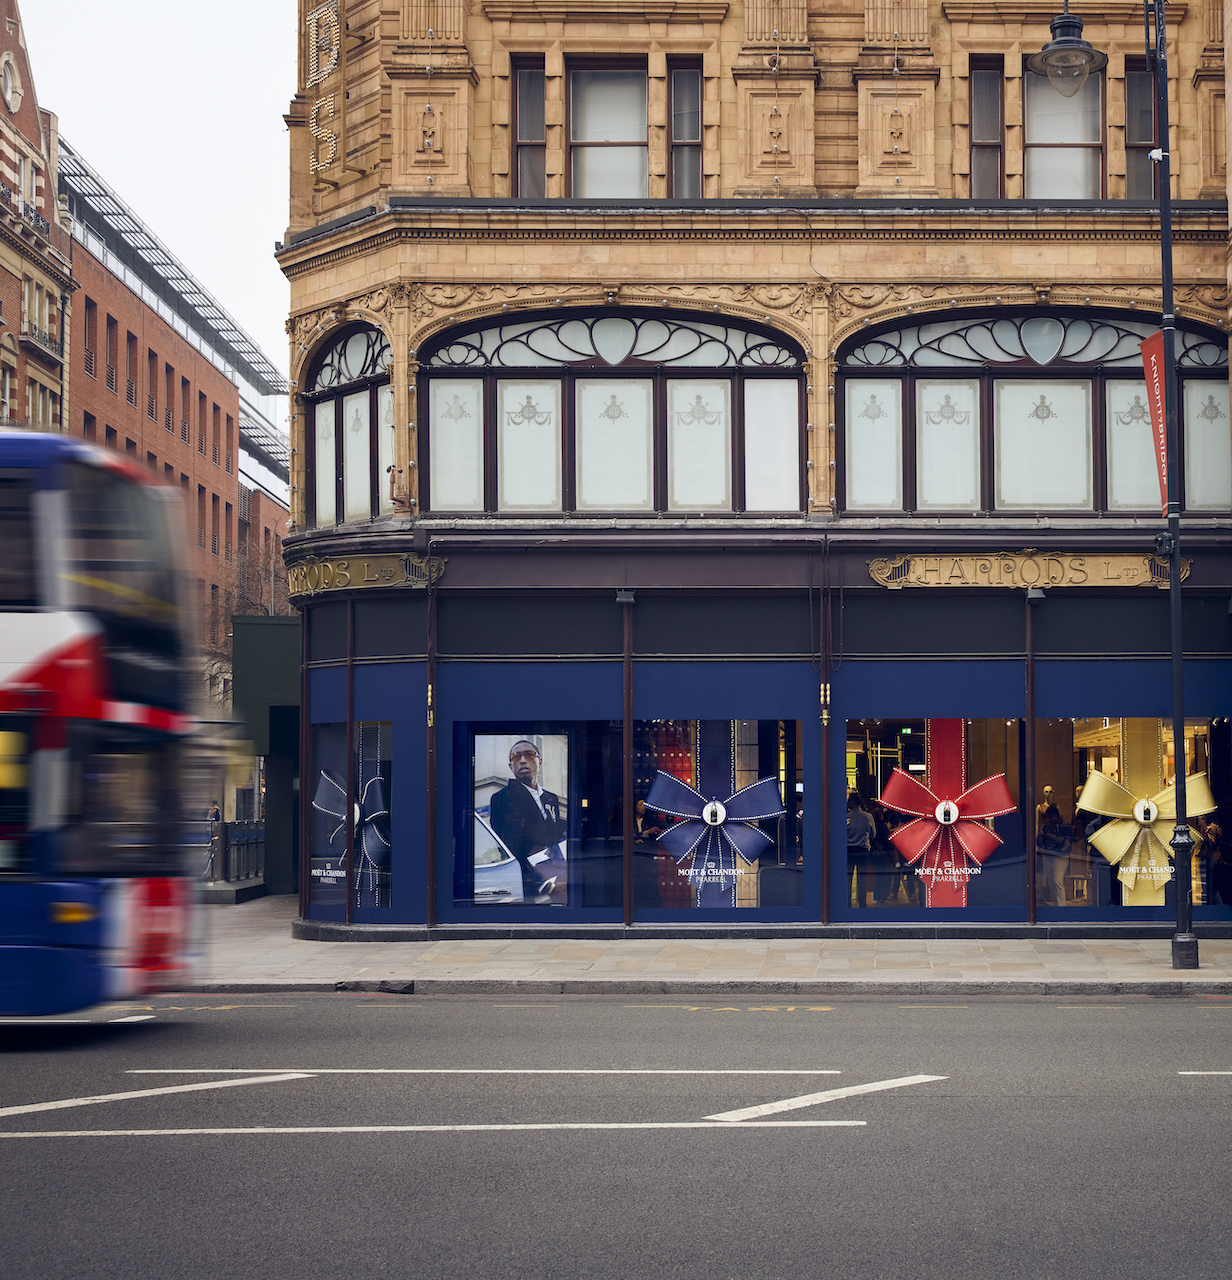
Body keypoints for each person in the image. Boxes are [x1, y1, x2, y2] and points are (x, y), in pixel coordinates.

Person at [489, 738, 567, 898]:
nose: (523, 760)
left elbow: (555, 839)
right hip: (530, 884)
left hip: (558, 876)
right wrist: (545, 884)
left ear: (540, 761)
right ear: (511, 767)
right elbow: (510, 845)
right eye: (516, 757)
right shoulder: (502, 798)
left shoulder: (551, 798)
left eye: (529, 755)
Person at [1036, 802, 1071, 908]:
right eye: (1048, 816)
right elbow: (1039, 840)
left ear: (1057, 815)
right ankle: (1057, 906)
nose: (1050, 818)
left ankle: (1061, 907)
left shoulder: (1063, 826)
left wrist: (1050, 836)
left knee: (1057, 881)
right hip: (1048, 854)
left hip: (1060, 856)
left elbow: (1065, 843)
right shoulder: (1046, 826)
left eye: (1052, 816)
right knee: (1051, 881)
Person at [846, 792, 875, 907]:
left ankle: (848, 903)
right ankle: (862, 903)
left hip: (849, 850)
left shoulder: (847, 817)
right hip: (863, 849)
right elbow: (873, 834)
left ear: (852, 802)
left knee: (848, 878)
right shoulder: (868, 816)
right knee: (861, 878)